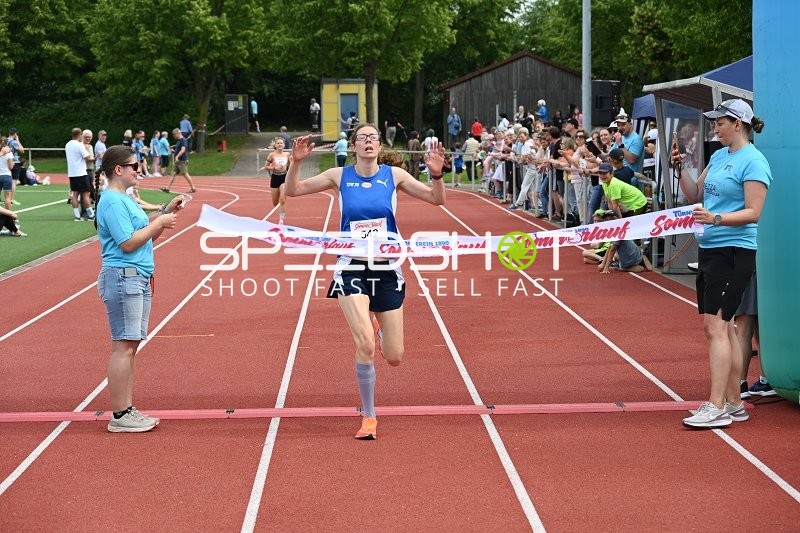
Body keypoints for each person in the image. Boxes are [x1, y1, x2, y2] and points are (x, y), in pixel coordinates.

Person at [285, 123, 445, 440]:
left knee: (394, 356)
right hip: (351, 266)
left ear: (379, 144)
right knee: (365, 345)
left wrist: (437, 175)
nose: (368, 142)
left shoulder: (394, 176)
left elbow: (437, 200)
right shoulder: (339, 176)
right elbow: (293, 190)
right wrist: (297, 163)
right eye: (363, 138)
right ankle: (369, 416)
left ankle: (374, 322)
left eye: (373, 138)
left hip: (387, 268)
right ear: (354, 145)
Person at [674, 99, 771, 429]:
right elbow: (694, 194)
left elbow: (754, 212)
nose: (714, 127)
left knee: (715, 327)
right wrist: (680, 171)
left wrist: (716, 218)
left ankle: (717, 405)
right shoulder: (717, 156)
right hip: (711, 248)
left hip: (734, 250)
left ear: (738, 125)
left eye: (720, 122)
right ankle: (733, 403)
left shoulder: (754, 161)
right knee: (723, 327)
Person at [94, 145, 184, 432]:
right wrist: (159, 221)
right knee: (123, 346)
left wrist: (164, 215)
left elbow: (142, 240)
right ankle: (120, 415)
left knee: (130, 346)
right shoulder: (111, 201)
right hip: (124, 276)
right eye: (134, 165)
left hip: (136, 275)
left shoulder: (126, 199)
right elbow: (128, 243)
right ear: (118, 169)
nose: (139, 169)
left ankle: (127, 409)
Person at [66, 127, 95, 221]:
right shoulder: (79, 145)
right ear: (80, 135)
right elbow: (87, 158)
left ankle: (77, 216)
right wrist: (97, 158)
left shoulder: (68, 144)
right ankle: (91, 215)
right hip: (81, 173)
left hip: (72, 173)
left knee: (75, 194)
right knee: (86, 194)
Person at [263, 137, 292, 225]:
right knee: (275, 203)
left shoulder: (287, 154)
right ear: (275, 145)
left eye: (281, 143)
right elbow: (265, 167)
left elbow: (291, 168)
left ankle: (281, 220)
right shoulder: (271, 155)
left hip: (284, 177)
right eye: (278, 143)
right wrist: (273, 168)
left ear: (284, 145)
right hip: (275, 177)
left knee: (282, 200)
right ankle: (279, 202)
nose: (280, 145)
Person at [161, 129, 196, 193]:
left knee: (185, 174)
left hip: (182, 160)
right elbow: (178, 149)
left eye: (174, 135)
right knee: (173, 174)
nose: (174, 136)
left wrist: (177, 156)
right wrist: (174, 149)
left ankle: (193, 188)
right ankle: (167, 188)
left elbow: (183, 149)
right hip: (178, 161)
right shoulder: (179, 141)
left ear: (177, 133)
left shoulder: (183, 140)